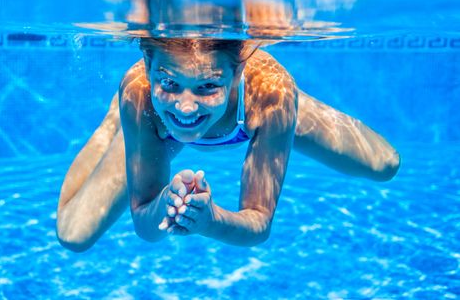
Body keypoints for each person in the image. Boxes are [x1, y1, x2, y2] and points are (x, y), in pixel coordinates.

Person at [56, 38, 400, 251]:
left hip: (258, 107)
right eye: (169, 83)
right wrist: (164, 204)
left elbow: (259, 223)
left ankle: (295, 107)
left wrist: (210, 220)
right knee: (74, 235)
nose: (186, 107)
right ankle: (117, 117)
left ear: (236, 74)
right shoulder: (142, 93)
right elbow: (146, 226)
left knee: (385, 165)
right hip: (154, 120)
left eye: (207, 86)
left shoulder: (269, 95)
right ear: (148, 66)